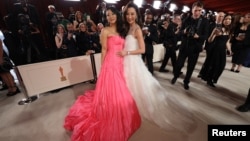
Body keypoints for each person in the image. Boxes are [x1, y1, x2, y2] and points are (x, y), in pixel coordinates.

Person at [63, 7, 141, 141]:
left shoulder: (123, 29)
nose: (110, 17)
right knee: (112, 91)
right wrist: (103, 67)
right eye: (107, 15)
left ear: (117, 15)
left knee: (123, 91)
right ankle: (113, 113)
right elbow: (104, 50)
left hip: (122, 63)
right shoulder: (105, 31)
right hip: (110, 63)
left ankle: (123, 114)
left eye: (112, 14)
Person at [118, 1, 195, 134]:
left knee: (137, 86)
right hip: (127, 61)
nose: (129, 16)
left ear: (136, 15)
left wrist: (127, 52)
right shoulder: (128, 28)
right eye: (127, 14)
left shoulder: (136, 28)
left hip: (133, 60)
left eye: (132, 14)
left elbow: (142, 50)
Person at [171, 1, 209, 90]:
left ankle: (186, 81)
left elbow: (206, 35)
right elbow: (179, 33)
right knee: (179, 64)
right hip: (184, 46)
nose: (197, 13)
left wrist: (198, 36)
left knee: (191, 67)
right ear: (192, 10)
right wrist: (183, 32)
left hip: (195, 48)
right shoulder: (186, 19)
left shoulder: (205, 21)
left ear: (202, 10)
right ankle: (175, 76)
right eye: (195, 10)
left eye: (199, 10)